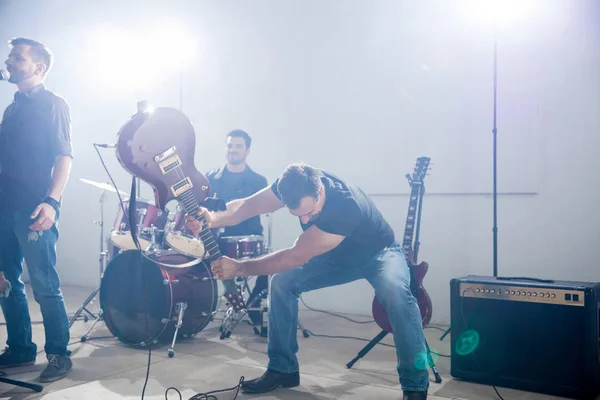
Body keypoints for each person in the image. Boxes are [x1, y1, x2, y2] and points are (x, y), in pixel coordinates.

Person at [186, 163, 430, 399]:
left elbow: (295, 255)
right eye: (298, 215)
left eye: (311, 213)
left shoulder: (345, 205)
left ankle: (415, 386)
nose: (305, 220)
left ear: (321, 191)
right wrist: (213, 218)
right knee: (282, 283)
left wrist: (240, 267)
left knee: (396, 293)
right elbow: (248, 206)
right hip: (333, 255)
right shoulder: (291, 184)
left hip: (379, 253)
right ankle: (283, 369)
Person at [0, 37, 73, 382]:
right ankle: (20, 348)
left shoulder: (54, 104)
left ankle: (58, 354)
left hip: (34, 209)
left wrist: (53, 202)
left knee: (44, 284)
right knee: (5, 282)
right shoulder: (11, 108)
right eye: (10, 57)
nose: (9, 62)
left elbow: (64, 157)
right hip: (4, 207)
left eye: (17, 58)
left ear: (38, 67)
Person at [205, 130, 268, 317]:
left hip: (249, 238)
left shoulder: (259, 181)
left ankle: (253, 304)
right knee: (205, 255)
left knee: (270, 265)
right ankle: (230, 301)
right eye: (230, 145)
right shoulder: (211, 178)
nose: (233, 150)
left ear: (247, 150)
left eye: (238, 146)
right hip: (218, 240)